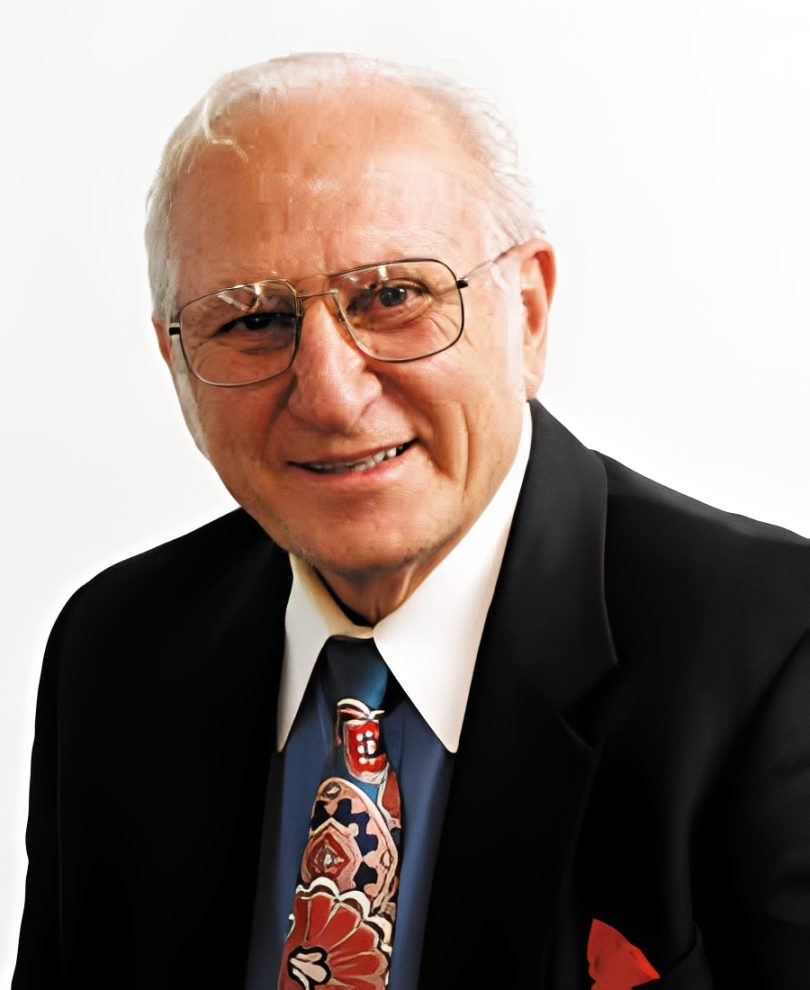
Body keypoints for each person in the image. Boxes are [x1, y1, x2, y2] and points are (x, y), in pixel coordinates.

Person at [12, 52, 810, 990]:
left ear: (530, 310)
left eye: (392, 295)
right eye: (253, 320)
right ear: (176, 363)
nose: (331, 395)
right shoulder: (115, 650)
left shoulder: (775, 648)